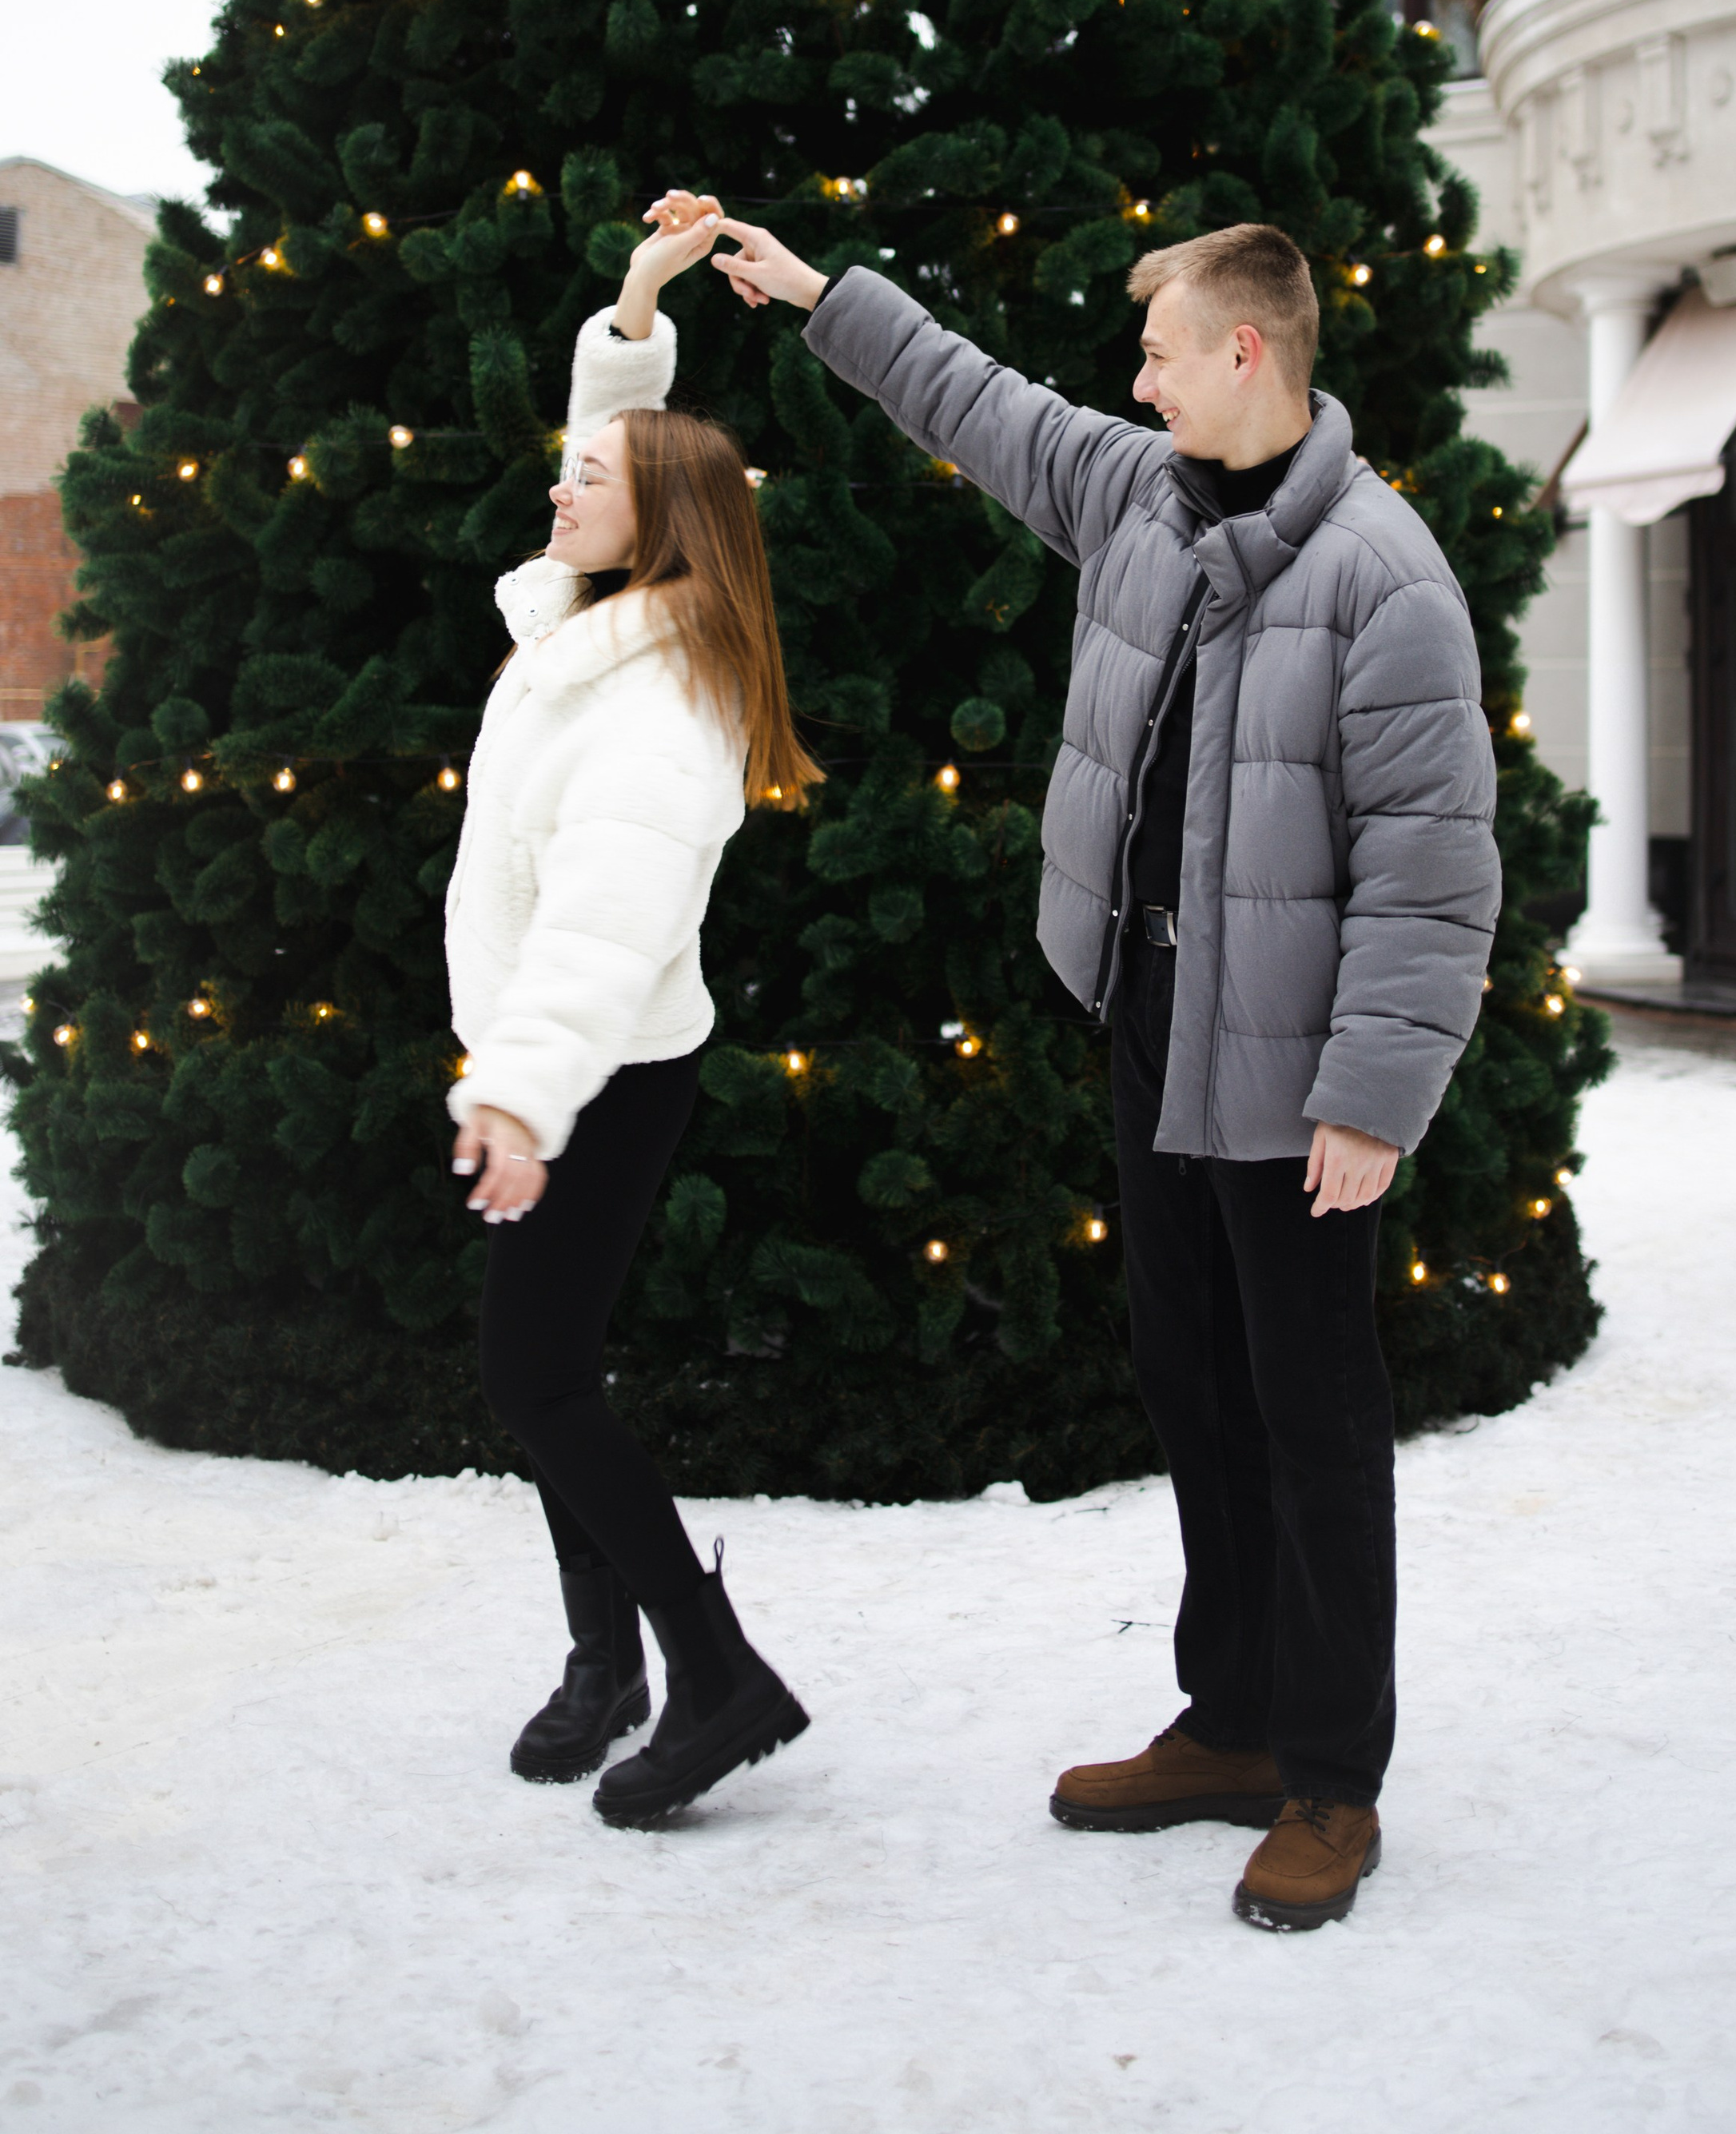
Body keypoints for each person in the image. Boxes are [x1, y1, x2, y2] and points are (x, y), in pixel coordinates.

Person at [695, 202, 1499, 1931]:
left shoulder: (1382, 576)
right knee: (1193, 1388)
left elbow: (1434, 869)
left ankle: (1331, 1779)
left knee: (1312, 1420)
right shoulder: (1138, 497)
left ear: (1244, 351)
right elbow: (970, 399)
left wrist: (1371, 1098)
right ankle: (1228, 1721)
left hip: (1296, 1081)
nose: (1130, 380)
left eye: (1157, 350)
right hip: (1147, 1032)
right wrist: (813, 288)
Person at [445, 191, 820, 1829]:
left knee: (534, 1379)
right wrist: (635, 300)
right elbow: (619, 437)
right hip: (547, 1061)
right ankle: (608, 1668)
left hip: (594, 1072)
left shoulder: (656, 712)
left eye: (582, 482)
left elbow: (604, 934)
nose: (559, 480)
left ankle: (712, 1669)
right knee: (545, 1365)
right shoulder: (606, 624)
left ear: (650, 523)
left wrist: (523, 1098)